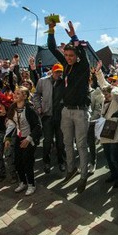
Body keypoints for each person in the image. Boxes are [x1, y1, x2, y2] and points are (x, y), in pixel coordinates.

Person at [47, 20, 91, 193]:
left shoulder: (83, 66)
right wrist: (51, 29)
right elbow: (51, 48)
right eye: (66, 56)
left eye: (71, 56)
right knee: (67, 143)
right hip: (66, 111)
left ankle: (83, 176)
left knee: (81, 144)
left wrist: (74, 36)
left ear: (77, 56)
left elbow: (82, 52)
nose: (68, 58)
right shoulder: (65, 65)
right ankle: (71, 169)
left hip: (80, 112)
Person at [5, 86, 42, 196]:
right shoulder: (13, 108)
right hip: (19, 138)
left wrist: (28, 138)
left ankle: (31, 184)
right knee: (18, 161)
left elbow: (38, 126)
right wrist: (7, 138)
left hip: (29, 139)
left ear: (25, 96)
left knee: (27, 161)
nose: (15, 95)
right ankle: (23, 182)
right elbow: (11, 124)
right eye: (15, 93)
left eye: (18, 94)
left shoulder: (30, 109)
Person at [94, 60, 118, 188]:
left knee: (114, 157)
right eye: (105, 93)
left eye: (108, 93)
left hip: (115, 131)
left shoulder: (117, 98)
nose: (106, 95)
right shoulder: (105, 97)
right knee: (108, 156)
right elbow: (103, 84)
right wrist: (99, 72)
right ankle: (113, 174)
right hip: (105, 129)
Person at [32, 63, 66, 174]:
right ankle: (46, 162)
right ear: (52, 71)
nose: (59, 74)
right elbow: (36, 95)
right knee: (47, 141)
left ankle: (61, 162)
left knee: (61, 142)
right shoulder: (42, 81)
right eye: (57, 72)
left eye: (60, 72)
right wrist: (38, 107)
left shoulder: (63, 82)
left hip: (60, 116)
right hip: (47, 116)